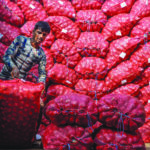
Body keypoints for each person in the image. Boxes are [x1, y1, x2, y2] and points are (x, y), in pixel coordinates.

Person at [0, 21, 50, 106]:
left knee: (9, 106)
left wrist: (40, 91)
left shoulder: (41, 54)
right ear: (33, 31)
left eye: (44, 35)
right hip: (4, 77)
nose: (41, 36)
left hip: (19, 84)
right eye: (39, 33)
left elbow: (42, 74)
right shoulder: (21, 40)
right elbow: (6, 56)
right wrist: (13, 67)